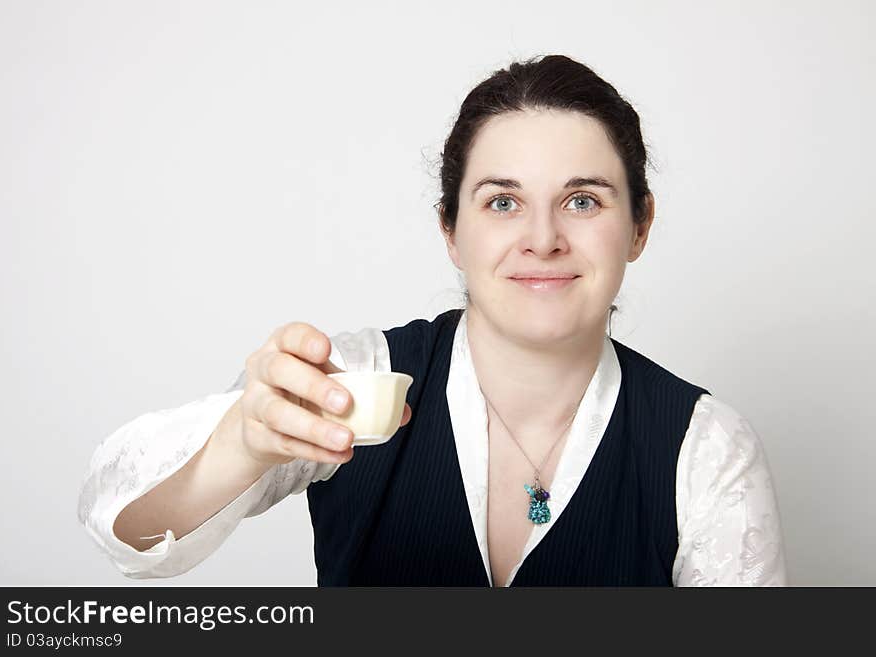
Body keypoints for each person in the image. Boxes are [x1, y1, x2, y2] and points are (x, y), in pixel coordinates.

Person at [77, 54, 788, 586]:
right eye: (502, 202)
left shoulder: (707, 449)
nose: (542, 237)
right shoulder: (353, 382)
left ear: (639, 226)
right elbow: (121, 528)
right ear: (451, 229)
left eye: (583, 200)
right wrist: (240, 439)